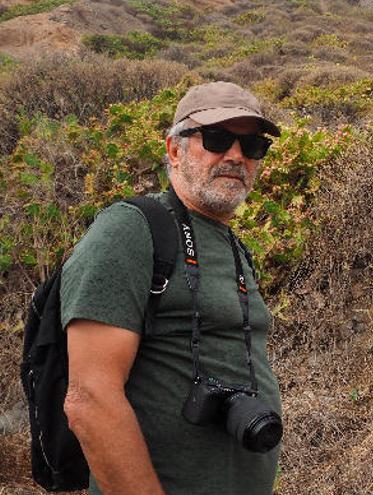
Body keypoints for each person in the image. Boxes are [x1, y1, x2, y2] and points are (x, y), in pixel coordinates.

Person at [62, 81, 284, 495]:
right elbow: (89, 398)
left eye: (252, 146)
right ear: (175, 150)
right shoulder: (131, 231)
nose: (236, 156)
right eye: (217, 138)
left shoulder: (234, 246)